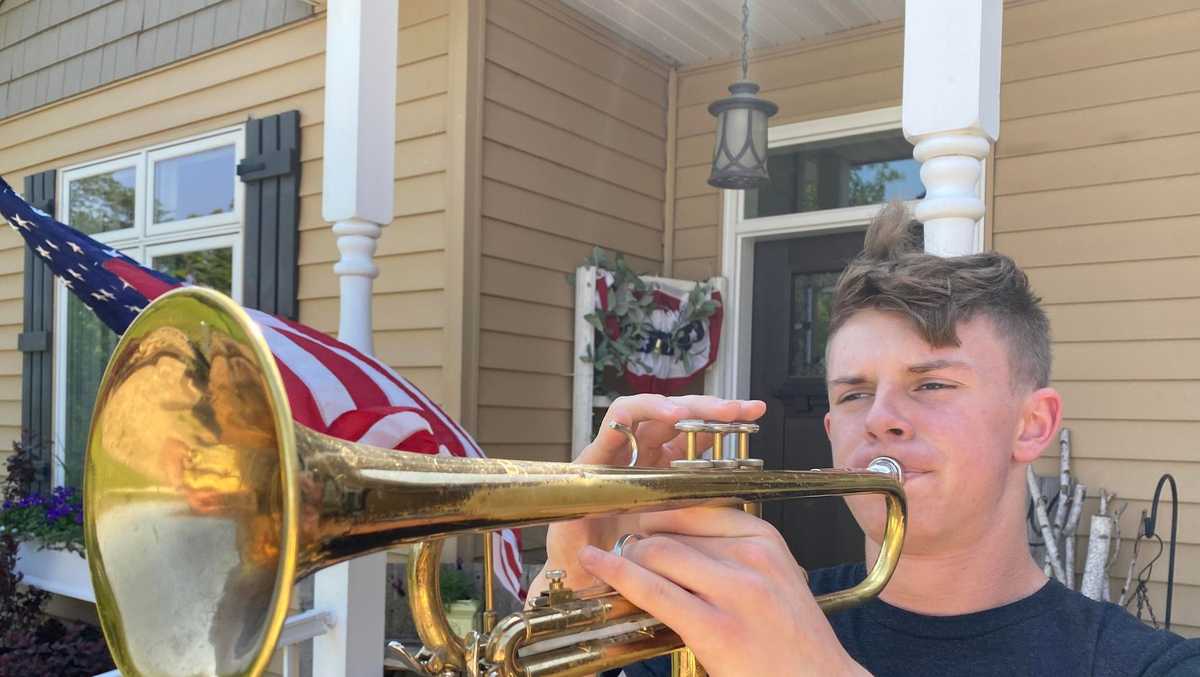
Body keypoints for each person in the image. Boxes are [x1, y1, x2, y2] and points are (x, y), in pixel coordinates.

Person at [528, 204, 1200, 676]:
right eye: (853, 394)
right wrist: (571, 593)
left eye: (931, 384)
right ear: (831, 432)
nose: (880, 418)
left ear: (1033, 425)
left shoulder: (1148, 665)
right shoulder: (733, 617)